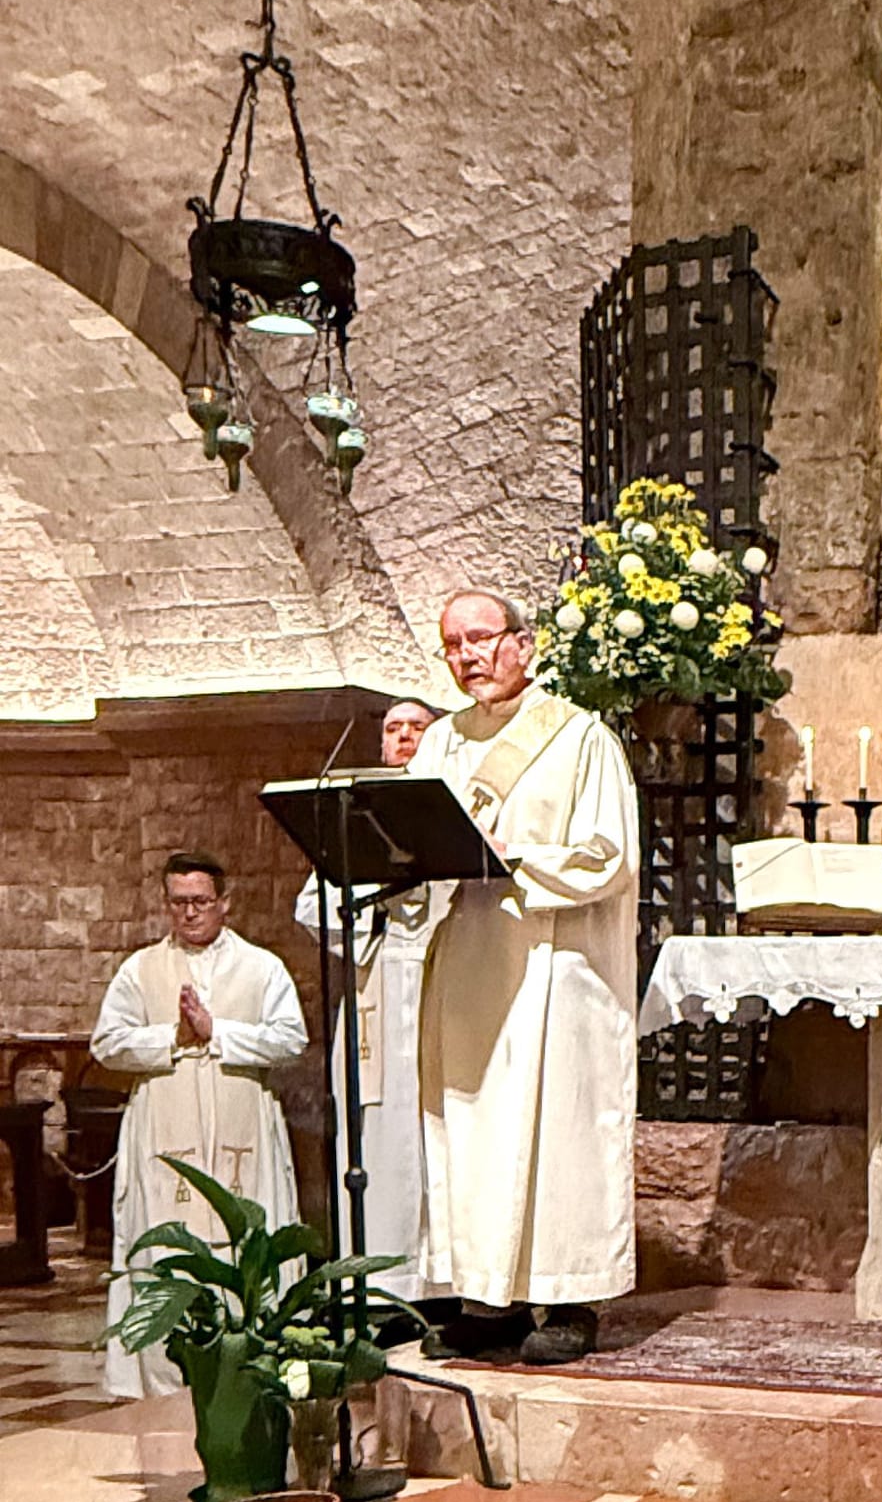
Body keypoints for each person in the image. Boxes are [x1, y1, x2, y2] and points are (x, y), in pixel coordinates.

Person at [410, 589, 639, 1362]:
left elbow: (608, 852)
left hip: (553, 962)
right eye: (452, 645)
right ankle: (485, 1295)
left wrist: (520, 862)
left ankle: (569, 1295)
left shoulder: (579, 738)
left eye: (481, 638)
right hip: (472, 955)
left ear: (523, 643)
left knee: (557, 1131)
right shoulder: (439, 743)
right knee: (473, 1127)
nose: (468, 656)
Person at [92, 851, 308, 1395]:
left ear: (225, 903)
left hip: (244, 1126)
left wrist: (219, 1033)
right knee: (164, 1247)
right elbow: (107, 1043)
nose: (190, 913)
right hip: (164, 1123)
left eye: (201, 902)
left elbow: (291, 1038)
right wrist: (171, 1039)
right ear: (166, 904)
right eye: (179, 902)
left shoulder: (262, 968)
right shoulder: (139, 970)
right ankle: (162, 1384)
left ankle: (250, 1373)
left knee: (244, 1244)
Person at [294, 697, 442, 1300]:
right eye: (393, 729)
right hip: (377, 982)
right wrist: (373, 910)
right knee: (375, 1139)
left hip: (439, 980)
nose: (404, 737)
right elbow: (311, 905)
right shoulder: (356, 815)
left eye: (417, 727)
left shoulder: (448, 806)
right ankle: (380, 1285)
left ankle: (441, 1283)